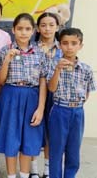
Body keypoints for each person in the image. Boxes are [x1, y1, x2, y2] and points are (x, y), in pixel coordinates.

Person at [0, 13, 49, 178]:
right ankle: (11, 175)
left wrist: (40, 108)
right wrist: (7, 61)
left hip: (32, 97)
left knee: (28, 140)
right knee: (11, 138)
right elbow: (1, 80)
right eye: (20, 28)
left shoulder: (39, 53)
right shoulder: (5, 50)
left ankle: (24, 175)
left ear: (33, 31)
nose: (23, 32)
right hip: (11, 95)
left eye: (27, 29)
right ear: (13, 30)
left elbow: (43, 82)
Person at [47, 28, 96, 178]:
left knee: (74, 150)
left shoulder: (86, 69)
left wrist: (77, 105)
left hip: (77, 112)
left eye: (74, 43)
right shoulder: (53, 65)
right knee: (56, 150)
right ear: (60, 45)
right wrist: (57, 70)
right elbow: (51, 88)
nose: (69, 47)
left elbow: (87, 92)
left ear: (80, 45)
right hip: (59, 110)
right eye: (65, 43)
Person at [29, 12, 62, 178]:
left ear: (58, 27)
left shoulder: (63, 48)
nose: (47, 28)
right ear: (38, 28)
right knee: (34, 131)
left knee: (52, 134)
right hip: (35, 94)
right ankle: (33, 169)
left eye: (51, 25)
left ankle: (47, 170)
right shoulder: (31, 48)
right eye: (43, 25)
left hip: (56, 96)